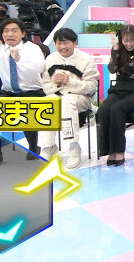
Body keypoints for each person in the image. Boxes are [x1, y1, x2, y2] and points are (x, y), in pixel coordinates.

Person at [0, 18, 46, 170]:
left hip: (33, 92)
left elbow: (37, 69)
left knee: (26, 109)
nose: (9, 34)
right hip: (8, 93)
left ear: (23, 33)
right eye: (5, 31)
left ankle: (33, 146)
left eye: (14, 30)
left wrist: (18, 59)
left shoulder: (32, 48)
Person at [38, 28, 99, 169]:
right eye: (59, 43)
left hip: (82, 98)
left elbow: (91, 87)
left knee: (66, 102)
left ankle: (73, 147)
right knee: (47, 102)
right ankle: (48, 146)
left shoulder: (86, 59)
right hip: (57, 94)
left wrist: (69, 81)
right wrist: (55, 83)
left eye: (66, 43)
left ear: (74, 43)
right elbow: (45, 86)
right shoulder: (50, 59)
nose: (62, 47)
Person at [97, 24, 134, 166]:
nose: (129, 43)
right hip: (118, 90)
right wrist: (115, 52)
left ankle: (119, 151)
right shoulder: (117, 50)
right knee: (103, 110)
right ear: (121, 40)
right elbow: (112, 69)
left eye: (132, 40)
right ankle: (109, 151)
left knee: (117, 109)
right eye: (126, 40)